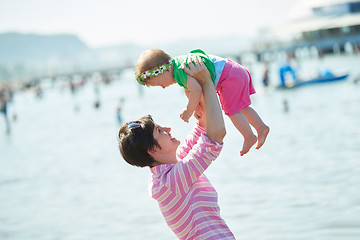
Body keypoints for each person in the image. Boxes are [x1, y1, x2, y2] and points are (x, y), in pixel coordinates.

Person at [118, 58, 235, 239]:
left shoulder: (173, 164)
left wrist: (191, 82)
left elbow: (204, 124)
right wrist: (206, 83)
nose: (168, 129)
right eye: (159, 130)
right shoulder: (169, 182)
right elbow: (216, 135)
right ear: (153, 150)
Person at [135, 49, 269, 156]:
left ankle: (249, 136)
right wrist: (197, 107)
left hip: (229, 77)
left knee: (232, 111)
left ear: (167, 69)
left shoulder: (180, 70)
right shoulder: (177, 67)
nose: (163, 87)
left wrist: (189, 110)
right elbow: (190, 89)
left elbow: (196, 90)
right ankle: (261, 127)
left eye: (160, 83)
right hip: (235, 71)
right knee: (242, 107)